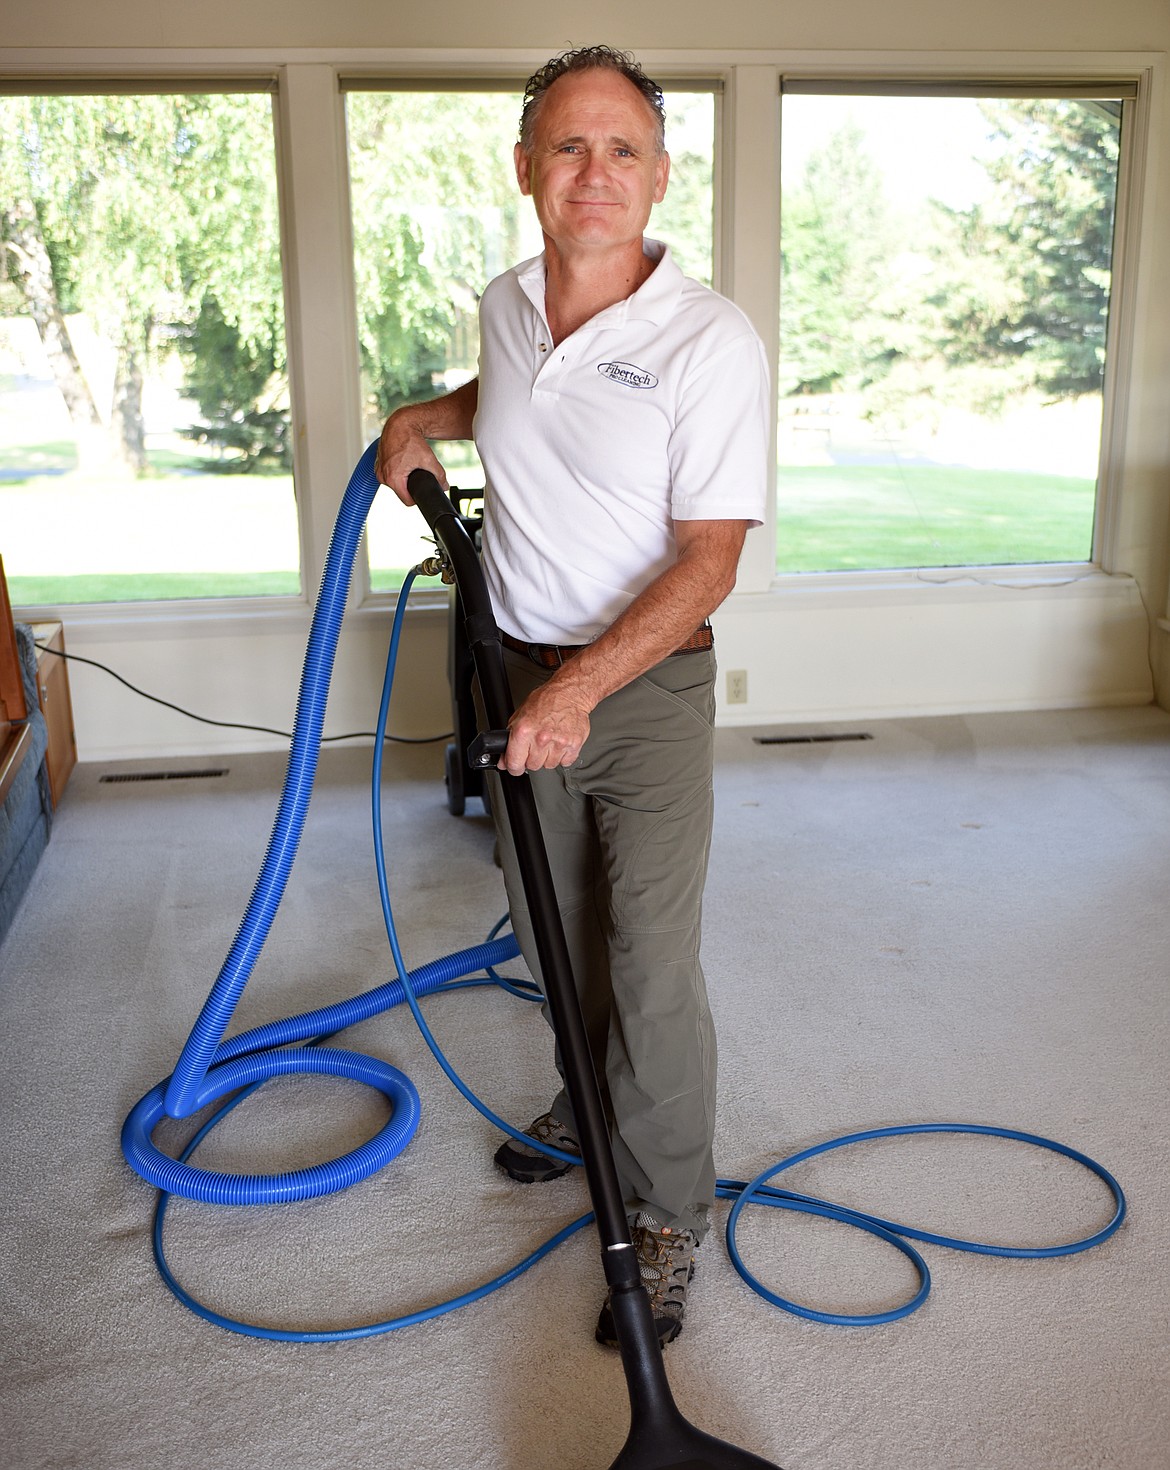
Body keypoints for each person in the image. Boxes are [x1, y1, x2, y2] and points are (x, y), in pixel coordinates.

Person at [376, 45, 769, 1348]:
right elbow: (512, 396)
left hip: (643, 690)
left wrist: (582, 689)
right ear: (525, 167)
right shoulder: (506, 301)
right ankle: (581, 1104)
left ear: (658, 175)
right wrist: (422, 416)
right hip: (515, 668)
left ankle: (664, 1214)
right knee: (549, 933)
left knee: (648, 961)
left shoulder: (707, 341)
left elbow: (709, 553)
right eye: (565, 146)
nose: (590, 173)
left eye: (619, 150)